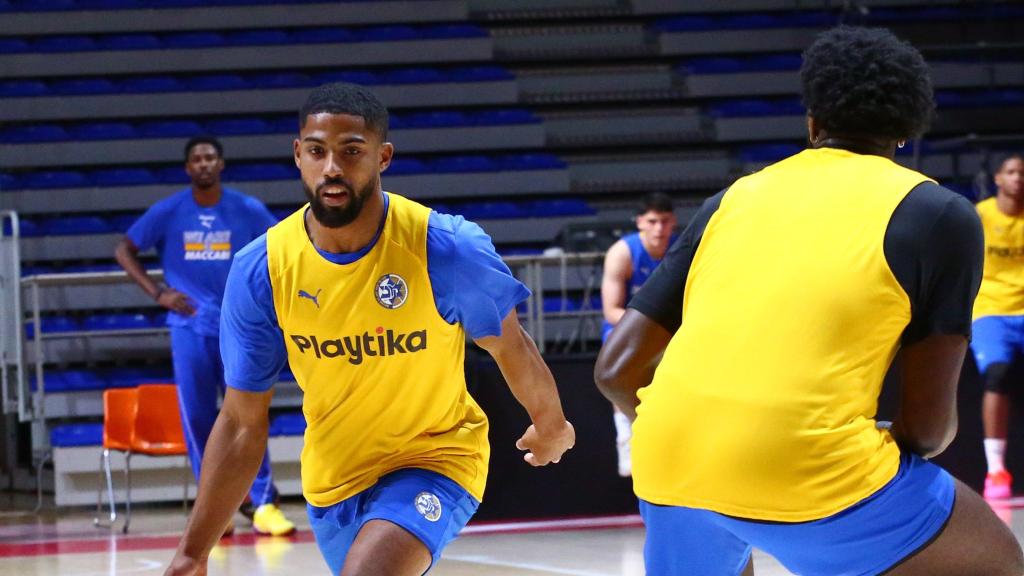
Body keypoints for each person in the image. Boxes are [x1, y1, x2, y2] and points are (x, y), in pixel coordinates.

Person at [595, 26, 1023, 576]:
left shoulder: (733, 198)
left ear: (813, 122)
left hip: (667, 455)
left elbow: (614, 370)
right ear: (907, 131)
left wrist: (703, 439)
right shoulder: (940, 214)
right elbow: (928, 429)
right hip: (805, 464)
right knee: (996, 560)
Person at [164, 83, 576, 576]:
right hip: (334, 481)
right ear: (298, 155)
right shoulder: (263, 270)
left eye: (351, 151)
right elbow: (239, 421)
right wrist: (193, 552)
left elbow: (511, 345)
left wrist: (551, 425)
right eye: (317, 151)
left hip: (438, 458)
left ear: (382, 157)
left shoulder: (443, 247)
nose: (332, 167)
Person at [114, 136, 295, 537]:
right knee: (197, 417)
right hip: (188, 327)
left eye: (210, 157)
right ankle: (216, 506)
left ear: (221, 164)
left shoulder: (247, 209)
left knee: (248, 413)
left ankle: (263, 502)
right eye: (196, 159)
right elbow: (124, 248)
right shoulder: (170, 210)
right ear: (187, 168)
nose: (203, 164)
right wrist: (158, 293)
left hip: (239, 325)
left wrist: (265, 301)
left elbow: (284, 249)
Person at [600, 193, 677, 477]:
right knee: (621, 378)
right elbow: (611, 311)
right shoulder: (622, 252)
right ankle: (625, 439)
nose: (659, 229)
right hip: (626, 329)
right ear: (640, 222)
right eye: (653, 221)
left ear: (674, 222)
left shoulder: (680, 250)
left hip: (669, 331)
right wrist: (656, 328)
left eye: (665, 222)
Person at [971, 152, 1024, 500]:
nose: (1018, 177)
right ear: (998, 180)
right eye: (1011, 171)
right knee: (997, 374)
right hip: (991, 310)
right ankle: (996, 472)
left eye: (1023, 172)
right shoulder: (980, 216)